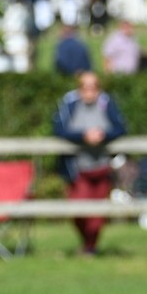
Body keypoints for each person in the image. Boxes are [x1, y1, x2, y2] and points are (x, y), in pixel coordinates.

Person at [52, 72, 126, 255]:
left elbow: (121, 127)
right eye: (85, 87)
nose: (89, 91)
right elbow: (58, 129)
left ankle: (90, 248)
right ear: (79, 88)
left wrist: (103, 135)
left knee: (98, 214)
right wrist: (83, 136)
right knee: (78, 211)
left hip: (101, 166)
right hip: (78, 168)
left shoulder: (106, 103)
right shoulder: (70, 104)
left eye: (93, 86)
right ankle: (87, 245)